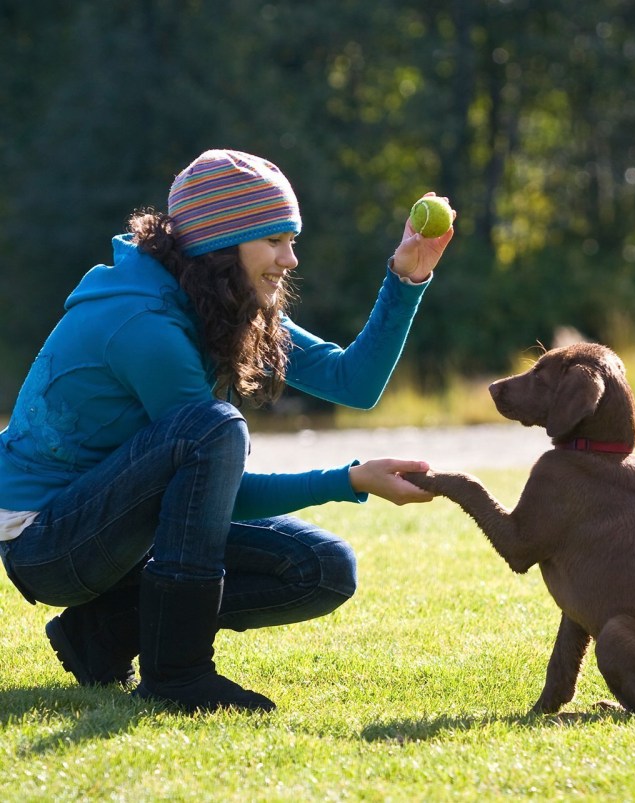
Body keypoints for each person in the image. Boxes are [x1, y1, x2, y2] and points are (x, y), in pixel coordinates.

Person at [0, 149, 455, 713]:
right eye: (274, 240)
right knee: (212, 428)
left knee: (323, 568)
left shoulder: (219, 298)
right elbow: (220, 488)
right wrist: (349, 480)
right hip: (48, 544)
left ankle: (102, 632)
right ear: (221, 243)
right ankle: (177, 676)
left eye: (292, 240)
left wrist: (408, 275)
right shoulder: (145, 324)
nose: (290, 259)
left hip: (120, 531)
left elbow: (352, 382)